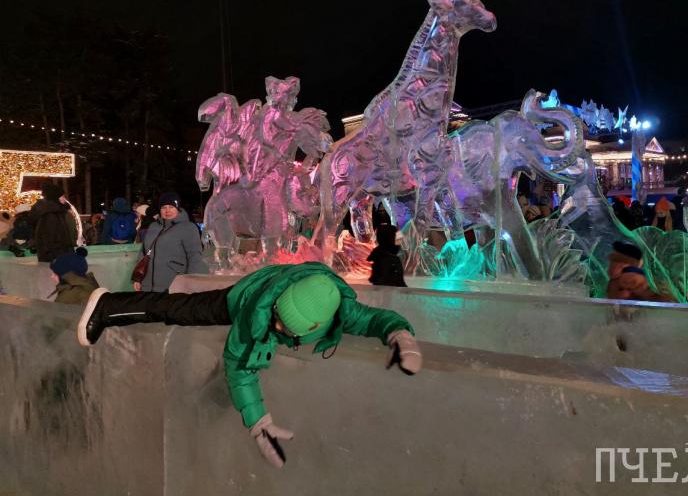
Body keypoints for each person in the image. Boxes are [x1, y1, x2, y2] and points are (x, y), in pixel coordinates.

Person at [76, 261, 423, 469]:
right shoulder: (257, 314)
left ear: (317, 326)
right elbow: (240, 366)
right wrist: (259, 423)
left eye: (285, 327)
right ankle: (108, 306)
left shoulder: (339, 307)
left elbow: (376, 319)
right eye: (277, 318)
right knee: (176, 310)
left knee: (216, 377)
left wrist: (400, 335)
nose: (276, 327)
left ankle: (203, 406)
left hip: (281, 285)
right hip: (241, 297)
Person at [136, 192, 207, 292]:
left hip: (173, 287)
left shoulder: (188, 228)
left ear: (177, 208)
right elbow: (143, 252)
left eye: (171, 207)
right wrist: (138, 278)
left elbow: (195, 257)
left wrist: (192, 283)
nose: (167, 211)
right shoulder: (153, 226)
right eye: (163, 207)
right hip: (147, 287)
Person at [27, 183, 77, 263]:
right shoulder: (51, 214)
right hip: (54, 256)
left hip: (52, 255)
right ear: (55, 197)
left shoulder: (52, 211)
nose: (64, 199)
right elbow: (52, 237)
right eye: (62, 196)